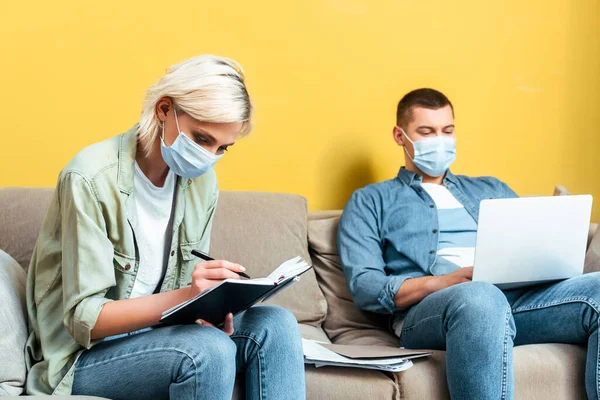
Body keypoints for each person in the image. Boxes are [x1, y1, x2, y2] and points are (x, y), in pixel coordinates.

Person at [25, 55, 305, 400]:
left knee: (275, 325)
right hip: (82, 358)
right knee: (208, 350)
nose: (209, 157)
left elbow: (183, 299)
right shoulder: (89, 178)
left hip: (159, 340)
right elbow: (85, 319)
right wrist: (190, 297)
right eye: (202, 139)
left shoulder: (201, 184)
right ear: (163, 110)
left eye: (223, 148)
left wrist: (207, 311)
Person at [338, 88, 600, 399]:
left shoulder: (491, 188)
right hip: (433, 312)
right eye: (426, 131)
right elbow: (366, 286)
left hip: (514, 303)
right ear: (399, 135)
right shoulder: (371, 200)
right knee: (480, 295)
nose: (440, 140)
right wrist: (444, 282)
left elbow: (531, 245)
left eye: (447, 131)